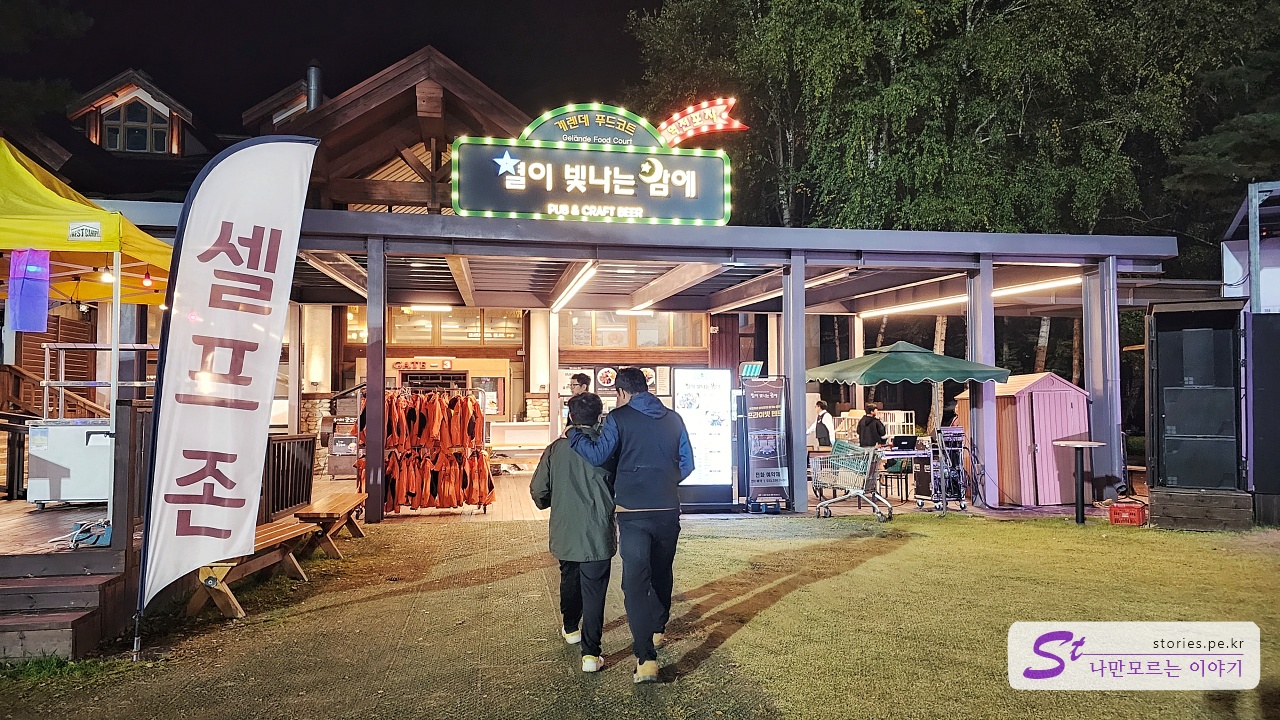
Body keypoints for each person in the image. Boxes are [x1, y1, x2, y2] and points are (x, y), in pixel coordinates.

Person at [568, 367, 694, 684]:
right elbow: (688, 463)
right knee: (662, 571)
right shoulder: (673, 419)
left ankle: (646, 660)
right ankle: (658, 629)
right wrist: (664, 483)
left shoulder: (618, 419)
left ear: (622, 392)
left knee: (635, 584)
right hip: (668, 508)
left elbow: (598, 455)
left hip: (633, 512)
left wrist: (574, 435)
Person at [529, 392, 616, 674]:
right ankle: (590, 654)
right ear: (599, 417)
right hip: (598, 530)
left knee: (569, 578)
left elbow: (539, 490)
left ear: (570, 416)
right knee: (595, 591)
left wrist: (550, 501)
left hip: (565, 529)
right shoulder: (608, 448)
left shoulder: (556, 449)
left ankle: (570, 627)